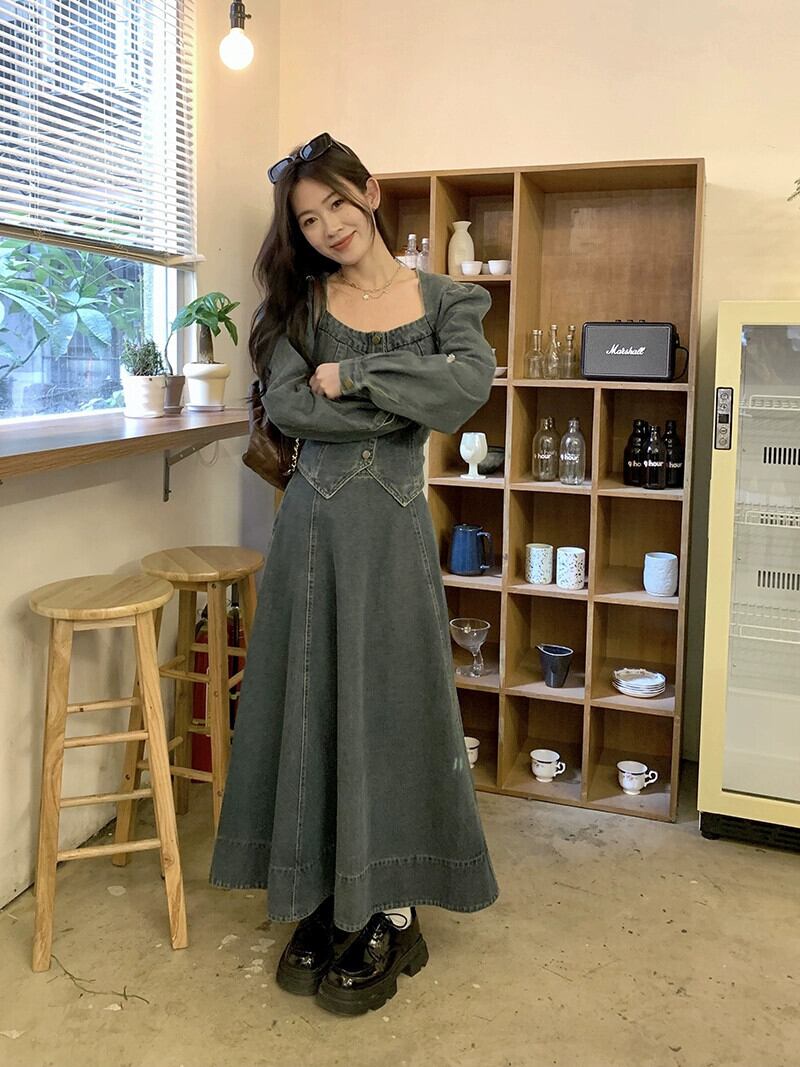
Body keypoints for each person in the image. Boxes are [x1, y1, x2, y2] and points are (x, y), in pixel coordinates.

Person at [210, 132, 499, 1017]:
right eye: (308, 218)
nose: (329, 225)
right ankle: (326, 893)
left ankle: (394, 909)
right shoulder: (299, 307)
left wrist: (357, 373)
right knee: (310, 701)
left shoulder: (448, 298)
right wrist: (394, 400)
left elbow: (465, 388)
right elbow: (290, 404)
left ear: (370, 192)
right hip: (311, 536)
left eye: (337, 202)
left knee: (394, 708)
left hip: (395, 537)